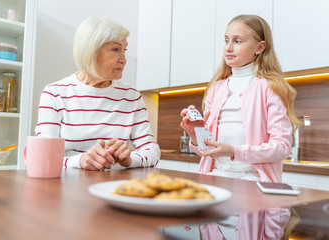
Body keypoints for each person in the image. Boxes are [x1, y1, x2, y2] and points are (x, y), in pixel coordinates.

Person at [180, 14, 301, 182]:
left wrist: (234, 151)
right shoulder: (216, 88)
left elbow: (282, 147)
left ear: (259, 47)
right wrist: (196, 135)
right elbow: (208, 149)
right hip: (215, 175)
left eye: (237, 41)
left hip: (256, 180)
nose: (228, 48)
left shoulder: (270, 87)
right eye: (226, 40)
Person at [35, 17, 160, 170]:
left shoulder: (131, 95)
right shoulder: (55, 93)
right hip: (66, 187)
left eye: (124, 50)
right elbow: (43, 156)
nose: (124, 59)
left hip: (113, 187)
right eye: (115, 49)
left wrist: (129, 159)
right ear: (91, 51)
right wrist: (80, 161)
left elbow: (152, 152)